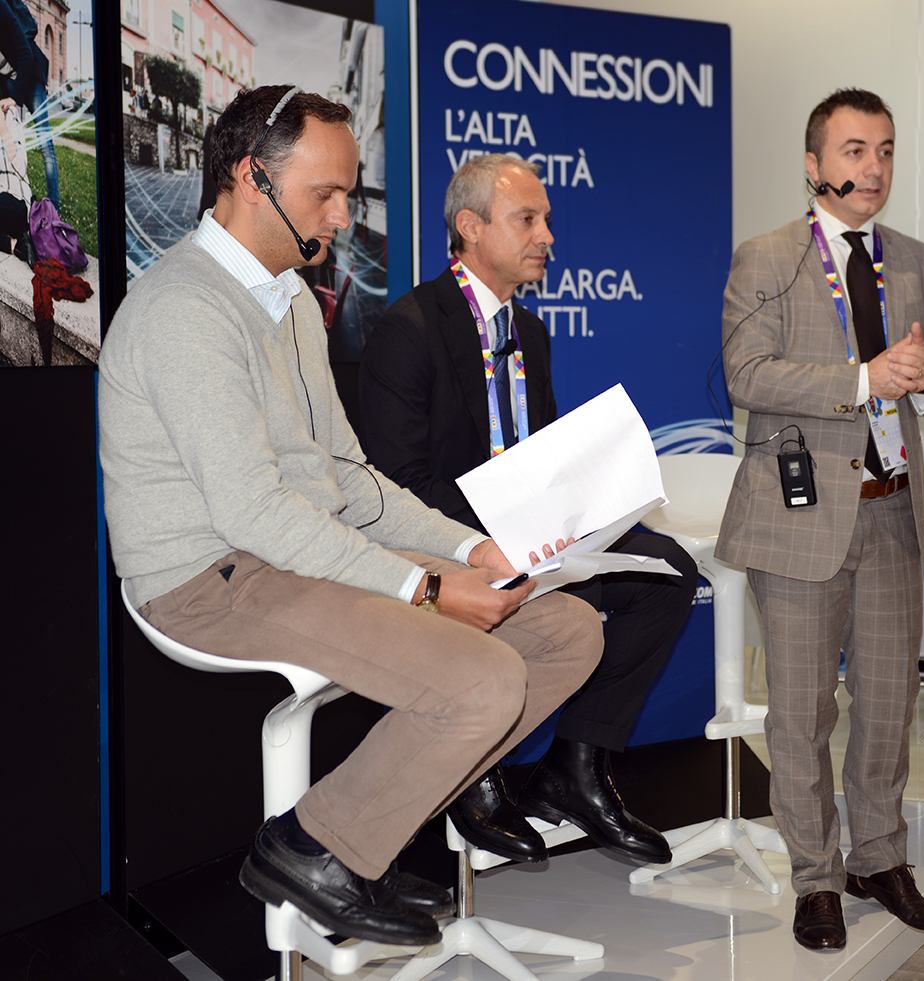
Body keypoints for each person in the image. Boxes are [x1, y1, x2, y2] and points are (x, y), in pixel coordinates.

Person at [98, 86, 604, 947]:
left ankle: (365, 831)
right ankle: (313, 847)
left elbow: (348, 477)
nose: (342, 215)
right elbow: (253, 512)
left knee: (565, 630)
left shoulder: (291, 298)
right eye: (325, 194)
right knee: (484, 678)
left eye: (345, 193)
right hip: (206, 578)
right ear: (249, 177)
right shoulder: (186, 308)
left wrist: (469, 549)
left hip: (287, 550)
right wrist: (423, 589)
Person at [358, 153, 697, 866]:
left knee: (667, 572)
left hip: (531, 535)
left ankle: (575, 765)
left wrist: (584, 508)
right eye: (528, 219)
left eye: (546, 219)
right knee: (542, 599)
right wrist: (495, 538)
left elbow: (535, 459)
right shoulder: (409, 327)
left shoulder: (528, 334)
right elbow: (395, 482)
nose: (548, 236)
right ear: (471, 226)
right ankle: (470, 767)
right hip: (449, 543)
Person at [717, 88, 924, 951]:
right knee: (801, 714)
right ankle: (816, 877)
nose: (874, 167)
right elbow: (746, 374)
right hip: (799, 520)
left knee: (889, 703)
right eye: (854, 150)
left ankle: (880, 859)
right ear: (813, 164)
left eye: (885, 150)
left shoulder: (915, 260)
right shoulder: (767, 257)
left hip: (890, 512)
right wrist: (863, 379)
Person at [0, 0, 57, 208]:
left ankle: (55, 207)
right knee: (11, 141)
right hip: (9, 81)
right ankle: (18, 193)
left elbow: (26, 53)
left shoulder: (1, 7)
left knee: (45, 143)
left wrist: (15, 97)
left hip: (31, 77)